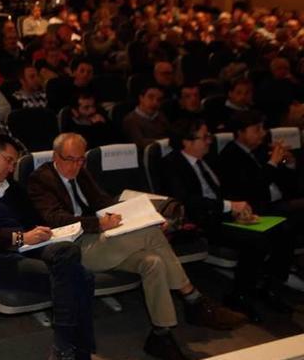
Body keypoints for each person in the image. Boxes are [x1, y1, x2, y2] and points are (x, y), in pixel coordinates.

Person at [27, 133, 245, 360]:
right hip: (74, 248)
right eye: (70, 159)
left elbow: (102, 201)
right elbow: (55, 218)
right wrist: (98, 223)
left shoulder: (81, 172)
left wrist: (133, 213)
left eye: (80, 160)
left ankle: (161, 334)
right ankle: (193, 298)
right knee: (151, 233)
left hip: (102, 241)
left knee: (153, 262)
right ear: (55, 156)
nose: (75, 166)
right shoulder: (40, 179)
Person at [0, 135, 95, 359]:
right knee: (81, 278)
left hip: (28, 249)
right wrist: (19, 238)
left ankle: (65, 349)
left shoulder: (13, 188)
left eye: (14, 163)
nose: (11, 167)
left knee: (69, 252)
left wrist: (44, 232)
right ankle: (76, 351)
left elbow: (34, 220)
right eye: (8, 160)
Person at [163, 119, 294, 322]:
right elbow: (188, 202)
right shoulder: (172, 164)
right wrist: (230, 206)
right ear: (186, 142)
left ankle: (271, 287)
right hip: (199, 223)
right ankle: (239, 296)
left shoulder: (207, 159)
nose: (209, 141)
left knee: (283, 228)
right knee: (256, 241)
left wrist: (237, 208)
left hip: (222, 216)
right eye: (204, 137)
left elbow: (224, 191)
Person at [218, 111, 303, 227]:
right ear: (240, 133)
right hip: (258, 209)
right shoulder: (229, 157)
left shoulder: (261, 149)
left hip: (282, 200)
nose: (263, 133)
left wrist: (289, 162)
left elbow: (286, 181)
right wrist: (273, 162)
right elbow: (253, 188)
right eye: (257, 129)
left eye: (263, 128)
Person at [123, 82, 170, 150]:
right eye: (151, 97)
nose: (155, 102)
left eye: (159, 100)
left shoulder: (160, 115)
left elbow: (170, 133)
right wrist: (165, 142)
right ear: (141, 98)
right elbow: (139, 143)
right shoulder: (131, 120)